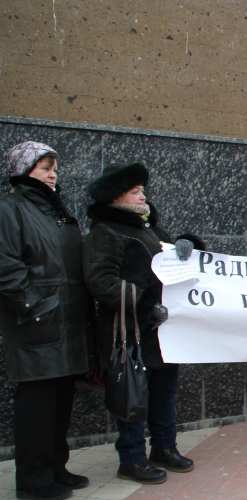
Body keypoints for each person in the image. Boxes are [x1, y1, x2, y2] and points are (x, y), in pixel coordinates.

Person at [83, 162, 204, 485]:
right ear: (115, 198)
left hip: (163, 331)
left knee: (165, 393)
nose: (144, 196)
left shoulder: (147, 227)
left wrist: (187, 247)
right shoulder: (105, 231)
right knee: (133, 397)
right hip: (131, 333)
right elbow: (100, 281)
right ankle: (132, 458)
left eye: (142, 191)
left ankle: (163, 447)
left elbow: (168, 264)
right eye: (136, 192)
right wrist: (145, 304)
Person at [0, 142, 92, 500]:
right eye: (44, 168)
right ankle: (34, 482)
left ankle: (56, 468)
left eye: (55, 168)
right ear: (25, 171)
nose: (53, 174)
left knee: (60, 402)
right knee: (37, 407)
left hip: (66, 323)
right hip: (38, 323)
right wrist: (33, 307)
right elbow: (7, 267)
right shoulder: (10, 209)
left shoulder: (56, 212)